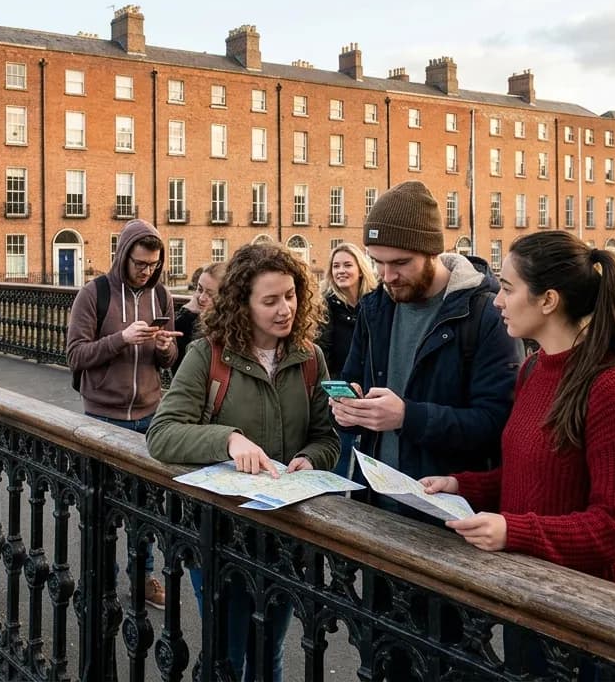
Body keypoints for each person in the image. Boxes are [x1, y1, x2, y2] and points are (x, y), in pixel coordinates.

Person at [420, 230, 615, 677]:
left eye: (508, 289)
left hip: (597, 618)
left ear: (548, 300)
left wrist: (513, 531)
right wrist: (462, 485)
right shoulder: (533, 367)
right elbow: (535, 475)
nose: (497, 301)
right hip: (534, 599)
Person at [147, 241, 338, 682]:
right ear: (242, 304)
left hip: (284, 535)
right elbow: (162, 434)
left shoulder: (310, 357)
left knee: (269, 651)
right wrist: (228, 439)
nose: (284, 309)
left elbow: (326, 436)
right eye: (270, 300)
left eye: (290, 296)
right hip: (222, 533)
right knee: (226, 656)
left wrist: (310, 459)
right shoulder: (208, 355)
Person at [331, 180, 521, 515]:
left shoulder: (486, 315)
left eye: (400, 263)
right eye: (377, 262)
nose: (387, 276)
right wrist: (347, 411)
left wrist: (408, 416)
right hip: (377, 504)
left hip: (450, 512)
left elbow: (497, 424)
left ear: (432, 251)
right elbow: (352, 382)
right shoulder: (374, 308)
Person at [66, 219, 178, 609]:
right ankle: (100, 577)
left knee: (144, 506)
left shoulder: (161, 295)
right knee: (102, 505)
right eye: (139, 264)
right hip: (103, 414)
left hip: (149, 414)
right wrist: (121, 339)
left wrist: (163, 346)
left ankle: (142, 578)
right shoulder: (93, 294)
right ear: (123, 256)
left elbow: (169, 360)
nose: (146, 272)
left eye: (153, 265)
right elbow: (76, 354)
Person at [316, 242, 378, 477]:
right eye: (335, 266)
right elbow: (322, 351)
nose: (340, 270)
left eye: (347, 265)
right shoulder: (326, 307)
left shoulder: (374, 304)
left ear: (360, 269)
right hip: (339, 393)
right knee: (341, 460)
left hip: (371, 392)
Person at [172, 262, 224, 375]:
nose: (201, 298)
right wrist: (187, 314)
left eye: (210, 294)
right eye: (200, 290)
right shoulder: (188, 320)